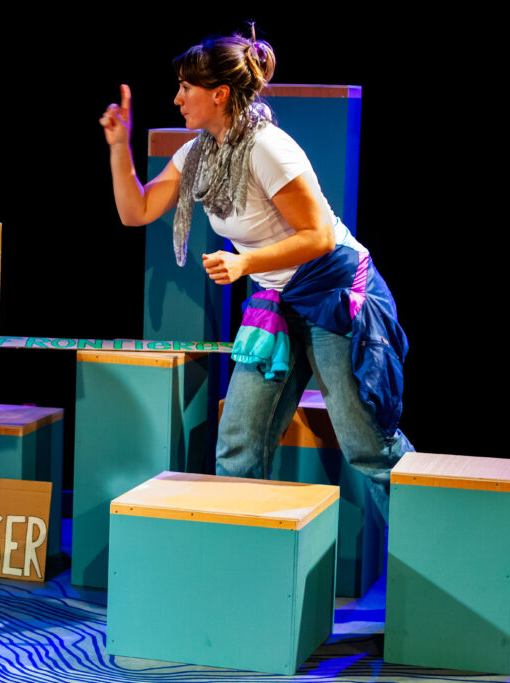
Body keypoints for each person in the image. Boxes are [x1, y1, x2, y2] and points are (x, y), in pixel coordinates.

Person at [100, 33, 411, 521]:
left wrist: (245, 263)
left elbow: (318, 237)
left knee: (367, 445)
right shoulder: (196, 154)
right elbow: (135, 210)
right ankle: (241, 557)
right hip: (279, 301)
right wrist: (120, 146)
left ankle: (433, 546)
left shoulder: (268, 148)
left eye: (186, 87)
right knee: (238, 443)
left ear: (219, 94)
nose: (177, 98)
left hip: (333, 292)